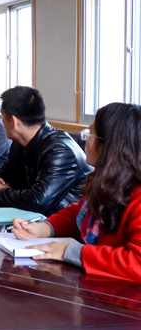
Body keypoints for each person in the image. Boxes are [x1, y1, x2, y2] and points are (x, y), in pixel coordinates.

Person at [12, 103, 141, 281]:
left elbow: (137, 263)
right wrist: (43, 228)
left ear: (108, 146)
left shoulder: (137, 196)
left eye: (90, 134)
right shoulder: (109, 181)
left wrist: (71, 252)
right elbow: (80, 214)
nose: (85, 139)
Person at [0, 86, 90, 215]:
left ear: (14, 121)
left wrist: (1, 193)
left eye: (3, 117)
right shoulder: (19, 143)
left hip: (62, 223)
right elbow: (2, 172)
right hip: (30, 218)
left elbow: (37, 201)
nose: (2, 122)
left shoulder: (59, 150)